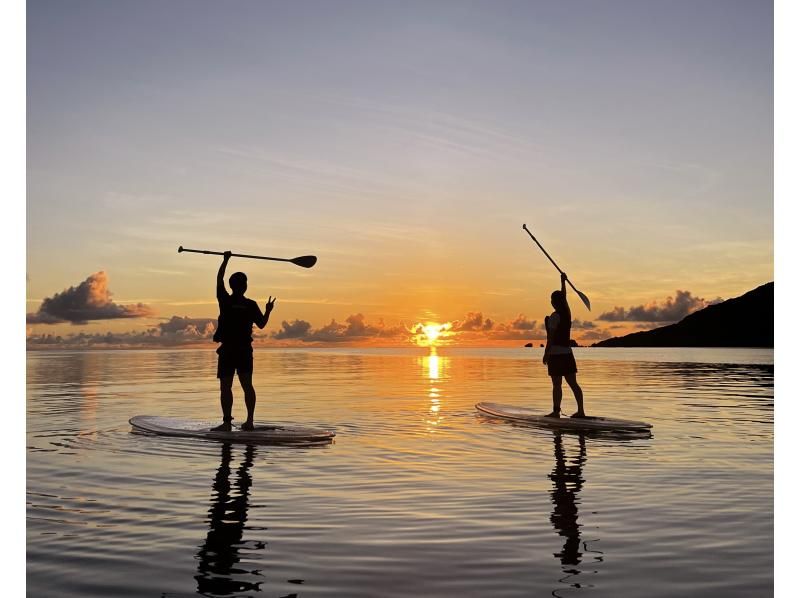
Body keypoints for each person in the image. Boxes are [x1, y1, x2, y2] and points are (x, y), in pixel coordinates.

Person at [212, 251, 276, 431]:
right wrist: (269, 310)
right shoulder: (251, 304)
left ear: (232, 286)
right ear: (245, 287)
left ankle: (226, 423)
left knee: (226, 386)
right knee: (247, 385)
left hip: (230, 351)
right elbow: (262, 324)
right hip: (243, 351)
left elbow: (219, 280)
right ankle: (249, 422)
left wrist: (225, 261)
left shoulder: (225, 300)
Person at [542, 272, 586, 418]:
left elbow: (551, 338)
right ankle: (581, 411)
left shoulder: (554, 317)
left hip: (555, 354)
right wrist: (563, 282)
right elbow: (564, 299)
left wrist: (546, 354)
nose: (550, 301)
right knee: (573, 384)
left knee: (556, 385)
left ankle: (556, 412)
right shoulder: (567, 313)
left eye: (551, 299)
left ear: (554, 302)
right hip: (567, 354)